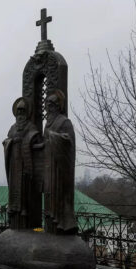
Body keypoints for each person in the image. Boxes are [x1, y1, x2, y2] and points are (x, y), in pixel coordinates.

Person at [3, 97, 43, 229]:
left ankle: (25, 214)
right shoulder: (13, 128)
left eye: (22, 111)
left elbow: (36, 138)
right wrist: (9, 142)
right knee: (14, 189)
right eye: (18, 111)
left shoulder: (30, 126)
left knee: (25, 189)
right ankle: (14, 213)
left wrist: (28, 141)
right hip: (14, 165)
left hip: (25, 163)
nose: (20, 114)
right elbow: (7, 140)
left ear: (26, 112)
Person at [43, 90, 78, 234]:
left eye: (52, 104)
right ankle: (48, 224)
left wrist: (54, 136)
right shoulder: (47, 124)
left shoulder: (64, 122)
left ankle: (62, 224)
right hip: (48, 166)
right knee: (49, 194)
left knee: (58, 195)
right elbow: (45, 142)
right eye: (47, 104)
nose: (49, 107)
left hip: (59, 167)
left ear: (58, 106)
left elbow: (69, 141)